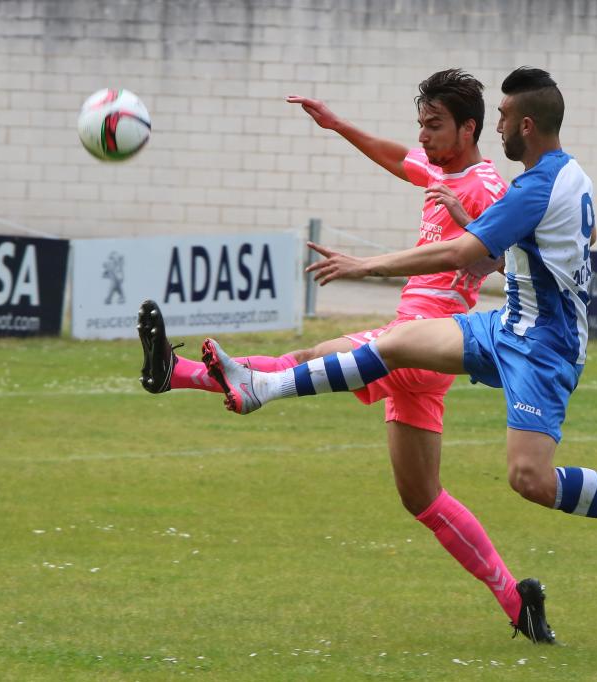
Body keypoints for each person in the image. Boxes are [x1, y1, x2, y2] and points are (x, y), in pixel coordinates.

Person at [202, 67, 597, 604]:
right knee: (389, 345)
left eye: (502, 116)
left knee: (530, 479)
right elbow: (586, 231)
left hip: (544, 347)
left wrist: (367, 266)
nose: (495, 124)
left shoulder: (530, 188)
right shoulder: (568, 174)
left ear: (524, 125)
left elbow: (462, 254)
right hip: (504, 325)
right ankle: (261, 389)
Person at [138, 69, 556, 644]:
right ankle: (518, 601)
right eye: (422, 125)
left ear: (469, 128)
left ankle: (178, 374)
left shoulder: (487, 188)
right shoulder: (441, 168)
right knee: (423, 497)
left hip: (423, 343)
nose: (424, 137)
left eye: (435, 126)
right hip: (417, 350)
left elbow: (512, 270)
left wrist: (465, 228)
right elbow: (397, 158)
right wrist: (337, 126)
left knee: (319, 354)